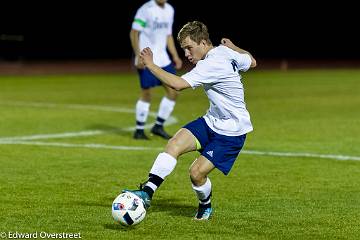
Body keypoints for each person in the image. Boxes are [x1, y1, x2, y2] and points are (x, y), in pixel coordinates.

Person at [123, 21, 257, 220]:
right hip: (212, 121)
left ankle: (206, 205)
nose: (186, 53)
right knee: (174, 143)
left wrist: (150, 64)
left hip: (231, 132)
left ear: (203, 42)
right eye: (184, 49)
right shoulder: (225, 52)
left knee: (196, 174)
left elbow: (177, 84)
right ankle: (147, 192)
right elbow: (251, 61)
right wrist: (233, 46)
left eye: (189, 47)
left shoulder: (212, 63)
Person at [130, 0, 183, 140]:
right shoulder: (146, 9)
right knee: (146, 94)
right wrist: (138, 55)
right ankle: (139, 130)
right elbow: (134, 33)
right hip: (147, 57)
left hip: (163, 59)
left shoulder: (170, 9)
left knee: (174, 91)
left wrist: (175, 56)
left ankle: (158, 126)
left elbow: (168, 35)